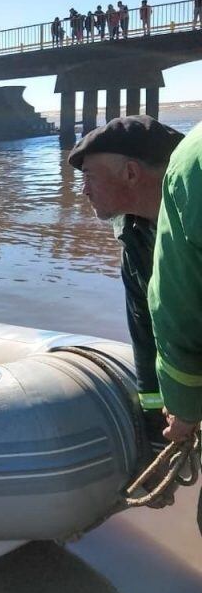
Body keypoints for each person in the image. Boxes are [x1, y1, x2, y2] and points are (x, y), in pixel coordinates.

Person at [68, 116, 184, 453]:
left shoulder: (192, 226)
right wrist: (154, 425)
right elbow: (145, 333)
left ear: (131, 173)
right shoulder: (134, 241)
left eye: (89, 176)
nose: (83, 190)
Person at [147, 125, 202, 441]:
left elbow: (177, 308)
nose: (84, 189)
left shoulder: (192, 158)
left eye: (90, 175)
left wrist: (184, 407)